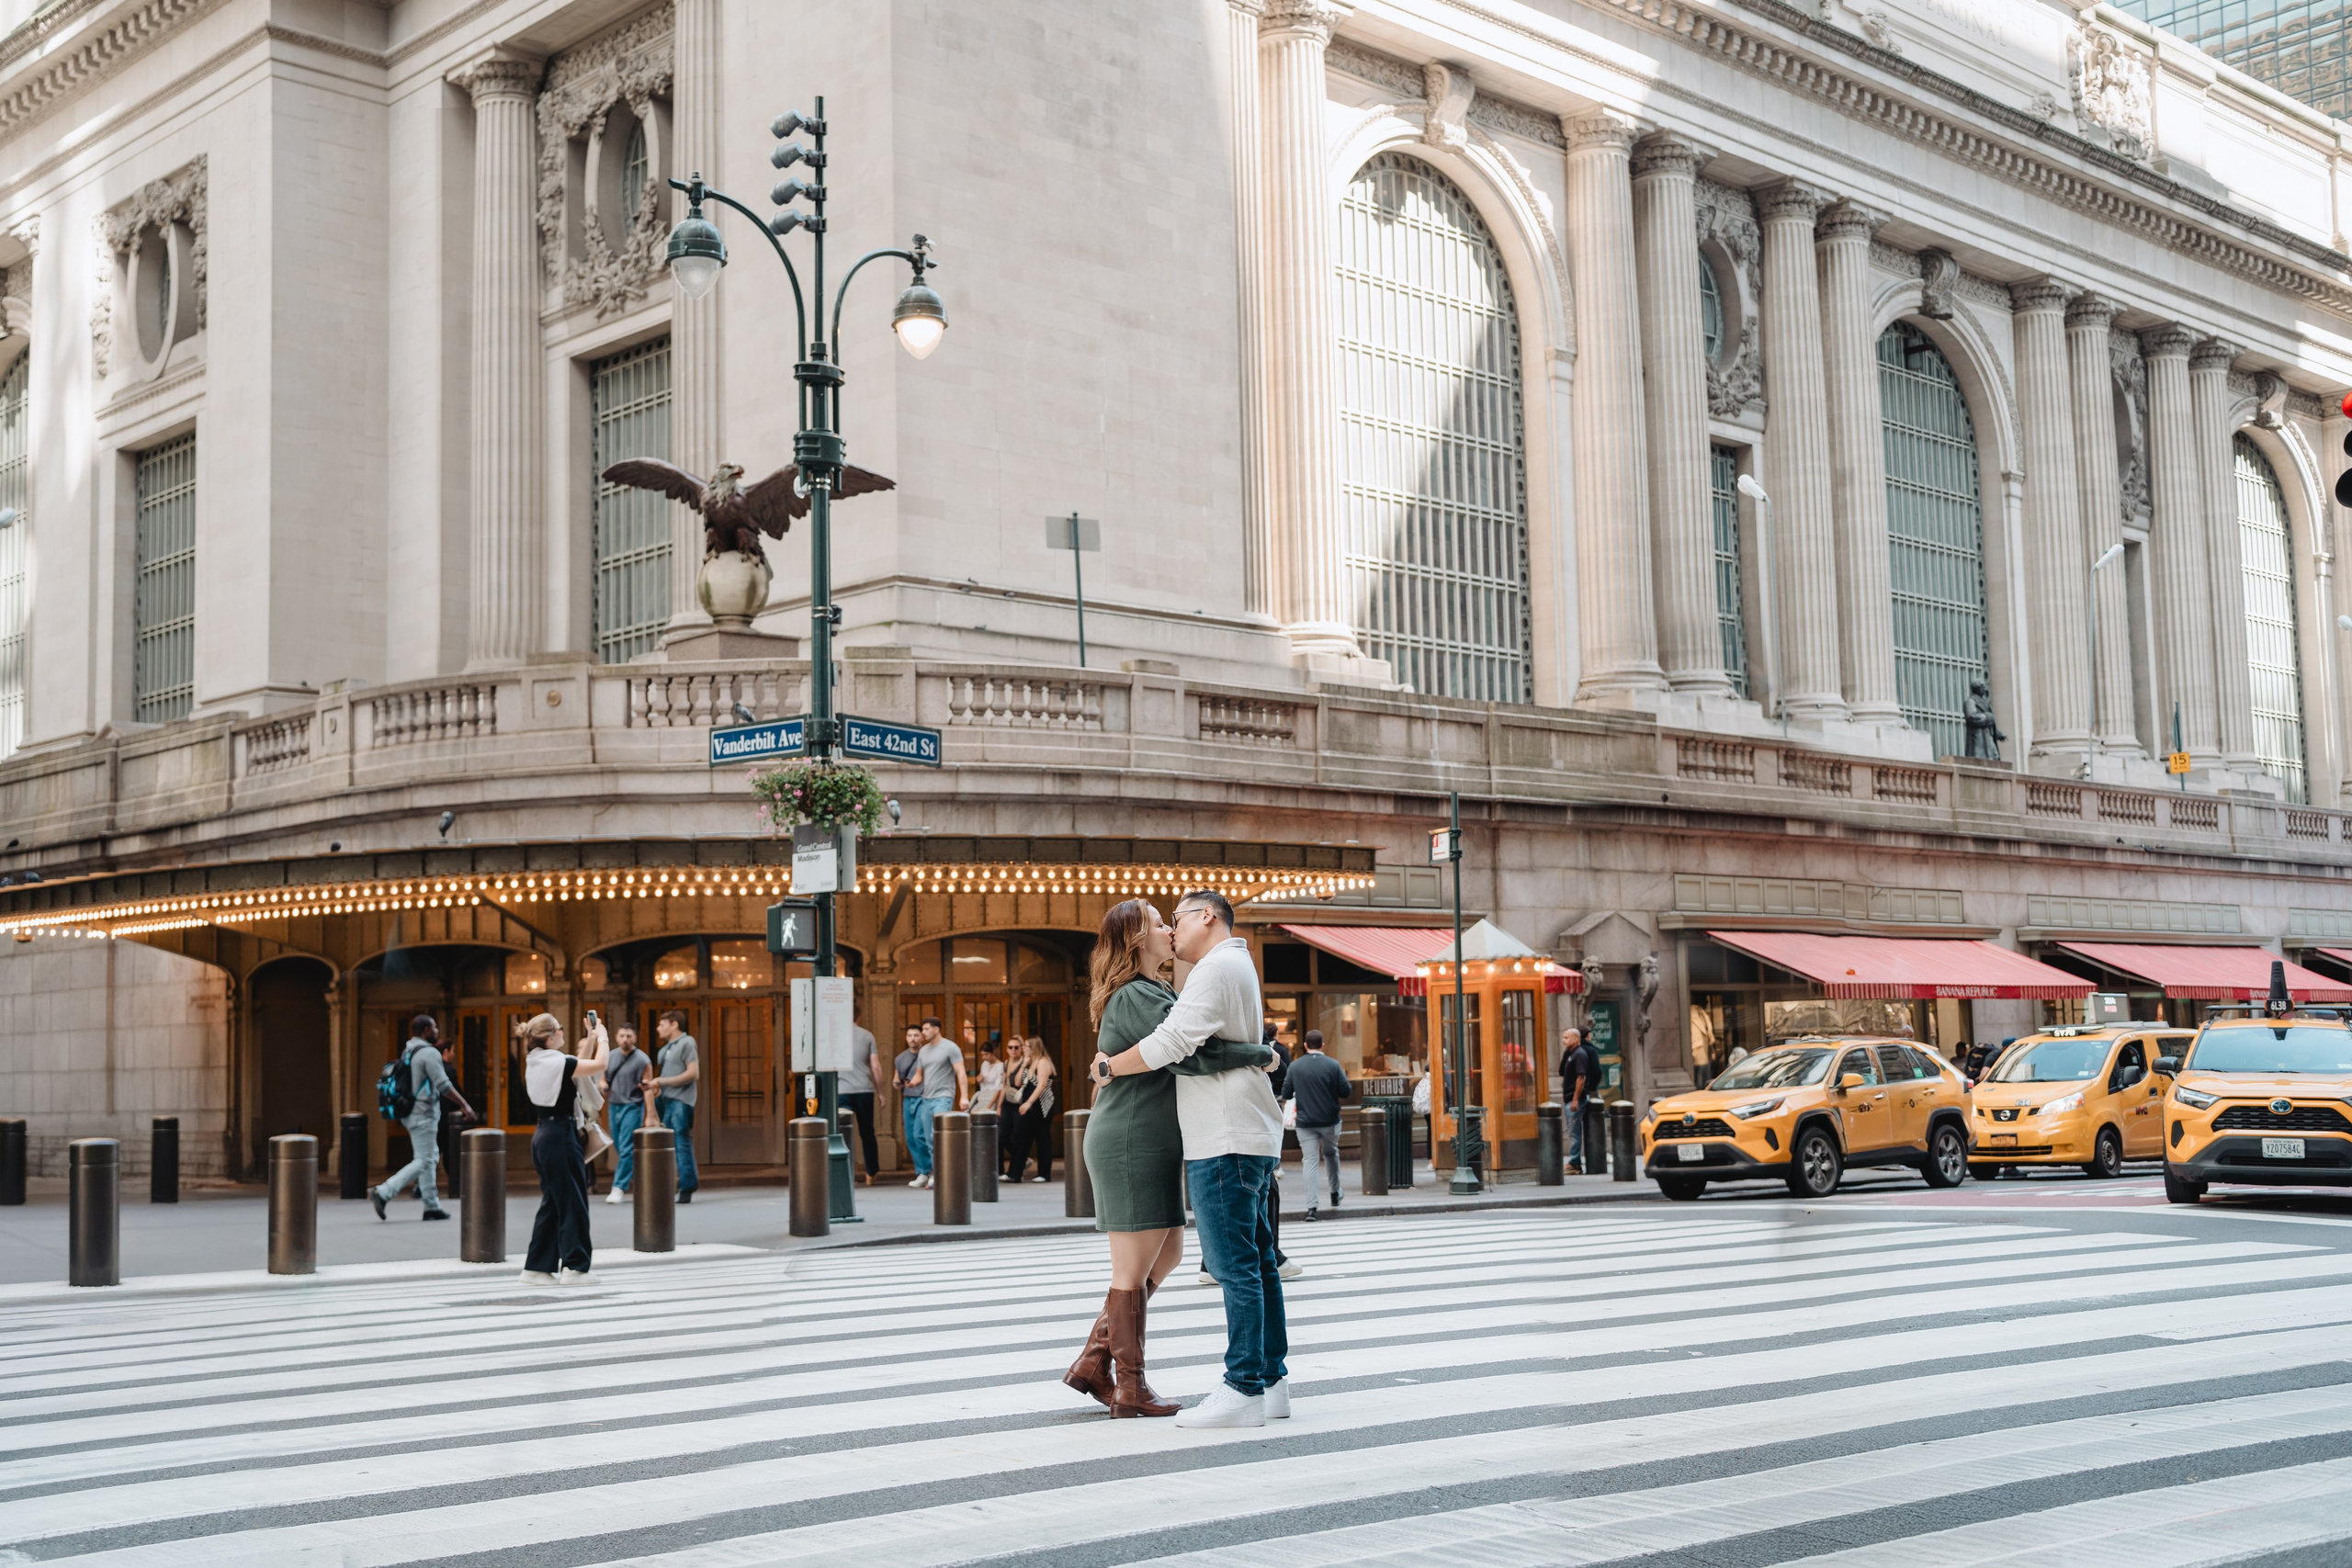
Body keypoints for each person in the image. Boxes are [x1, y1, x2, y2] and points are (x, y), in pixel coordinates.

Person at [1069, 899, 1275, 1416]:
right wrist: (1261, 1052)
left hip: (1157, 1137)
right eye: (1159, 923)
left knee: (1169, 1256)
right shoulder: (1138, 994)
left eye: (1170, 919)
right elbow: (1193, 1053)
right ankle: (1129, 1387)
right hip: (1133, 1136)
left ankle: (1095, 1362)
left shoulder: (1159, 989)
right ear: (1138, 939)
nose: (1168, 928)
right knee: (1132, 1267)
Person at [520, 1011, 609, 1284]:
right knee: (572, 1202)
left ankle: (537, 1267)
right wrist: (603, 1038)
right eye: (559, 1028)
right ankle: (575, 1267)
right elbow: (597, 1064)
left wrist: (591, 1037)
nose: (563, 1031)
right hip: (560, 1135)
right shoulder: (556, 1062)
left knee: (554, 1202)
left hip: (545, 1135)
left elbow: (574, 1061)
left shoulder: (538, 1060)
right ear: (550, 1038)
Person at [372, 1014, 475, 1222]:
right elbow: (443, 1085)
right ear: (427, 1030)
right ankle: (383, 1192)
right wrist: (465, 1105)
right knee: (425, 1159)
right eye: (435, 1027)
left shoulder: (409, 1050)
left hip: (411, 1112)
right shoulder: (429, 1053)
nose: (437, 1031)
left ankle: (431, 1206)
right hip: (423, 1113)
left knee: (430, 1156)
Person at [1283, 1029, 1352, 1219]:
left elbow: (1287, 1093)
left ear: (1305, 1045)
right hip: (1330, 1121)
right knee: (1331, 1154)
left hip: (1305, 1123)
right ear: (1322, 1045)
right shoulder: (1333, 1065)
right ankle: (1335, 1192)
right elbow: (1345, 1091)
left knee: (1310, 1161)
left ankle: (1311, 1207)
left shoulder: (1295, 1067)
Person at [642, 1010, 699, 1203]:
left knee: (681, 1142)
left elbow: (693, 1073)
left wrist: (661, 1080)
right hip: (665, 1100)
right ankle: (680, 1184)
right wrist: (656, 1086)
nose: (658, 1029)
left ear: (674, 1024)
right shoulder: (664, 1049)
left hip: (681, 1101)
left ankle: (687, 1185)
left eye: (662, 1024)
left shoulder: (687, 1042)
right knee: (674, 1143)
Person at [905, 1016, 967, 1190]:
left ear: (936, 1029)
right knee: (919, 1136)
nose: (922, 1032)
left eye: (925, 1029)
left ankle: (939, 1174)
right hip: (926, 1097)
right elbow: (919, 1074)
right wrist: (911, 1082)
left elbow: (961, 1072)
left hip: (943, 1097)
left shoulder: (950, 1047)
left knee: (936, 1136)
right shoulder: (923, 1051)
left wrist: (964, 1097)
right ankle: (926, 1172)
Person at [602, 1024, 650, 1206]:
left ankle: (618, 1187)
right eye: (622, 1035)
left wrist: (649, 1113)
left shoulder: (642, 1059)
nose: (625, 1039)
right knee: (620, 1145)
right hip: (614, 1105)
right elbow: (602, 1078)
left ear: (635, 1038)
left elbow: (649, 1084)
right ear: (616, 1037)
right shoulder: (611, 1056)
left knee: (627, 1147)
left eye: (629, 1036)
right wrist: (603, 1086)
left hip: (633, 1105)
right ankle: (637, 1178)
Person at [839, 1004, 883, 1185]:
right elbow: (876, 1066)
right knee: (867, 1132)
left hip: (842, 1091)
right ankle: (870, 1174)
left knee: (843, 1134)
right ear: (859, 1017)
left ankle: (845, 1173)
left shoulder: (835, 1036)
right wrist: (881, 1092)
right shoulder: (867, 1035)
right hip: (864, 1090)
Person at [1007, 1037, 1057, 1182]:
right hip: (1028, 1105)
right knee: (1021, 1136)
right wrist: (1023, 1065)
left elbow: (1041, 1085)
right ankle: (1014, 1173)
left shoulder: (1043, 1061)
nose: (1023, 1048)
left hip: (1041, 1105)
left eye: (1026, 1046)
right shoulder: (1029, 1063)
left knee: (1042, 1138)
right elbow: (1016, 1082)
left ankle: (1044, 1173)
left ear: (1034, 1047)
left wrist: (1029, 1102)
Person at [1559, 1027, 1591, 1171]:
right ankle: (1575, 1162)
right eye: (1563, 1037)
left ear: (1576, 1039)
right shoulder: (1571, 1054)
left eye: (1566, 1038)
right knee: (1573, 1131)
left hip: (1574, 1099)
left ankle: (1574, 1163)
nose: (1563, 1040)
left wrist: (1575, 1099)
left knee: (1574, 1132)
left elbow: (1581, 1077)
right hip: (1570, 1098)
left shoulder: (1579, 1054)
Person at [896, 1023, 924, 1176]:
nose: (912, 1039)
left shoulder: (927, 1055)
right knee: (911, 1138)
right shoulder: (900, 1058)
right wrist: (898, 1083)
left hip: (924, 1097)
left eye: (916, 1035)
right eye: (909, 1035)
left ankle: (928, 1170)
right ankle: (921, 1172)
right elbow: (896, 1081)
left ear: (922, 1037)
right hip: (908, 1098)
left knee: (920, 1135)